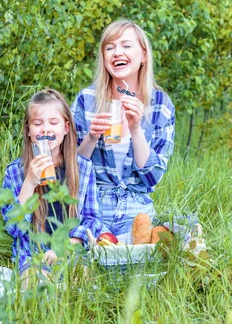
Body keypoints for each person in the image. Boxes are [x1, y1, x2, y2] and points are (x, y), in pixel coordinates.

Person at [71, 18, 175, 237]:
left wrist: (136, 129)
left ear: (144, 55)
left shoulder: (160, 105)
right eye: (110, 47)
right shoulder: (86, 100)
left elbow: (153, 177)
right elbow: (72, 172)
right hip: (92, 210)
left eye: (126, 46)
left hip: (137, 213)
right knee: (85, 259)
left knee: (163, 244)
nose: (117, 52)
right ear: (104, 58)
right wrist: (91, 138)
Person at [1, 89, 102, 285]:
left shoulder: (83, 168)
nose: (46, 129)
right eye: (38, 123)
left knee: (82, 282)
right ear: (29, 131)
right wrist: (29, 183)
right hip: (32, 256)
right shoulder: (16, 172)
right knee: (36, 285)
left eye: (53, 123)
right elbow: (13, 228)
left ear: (65, 128)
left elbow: (93, 219)